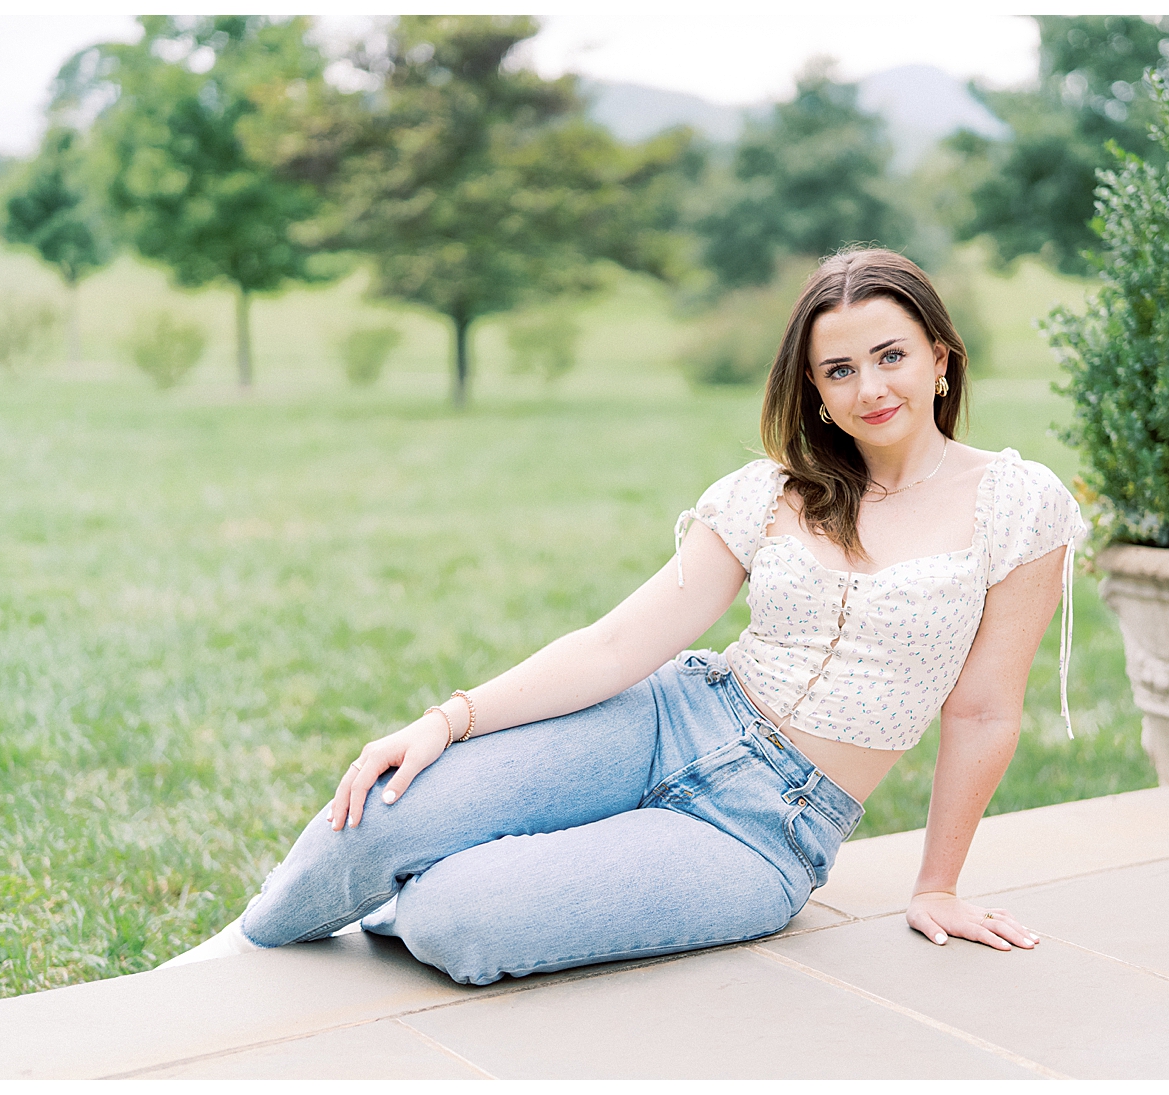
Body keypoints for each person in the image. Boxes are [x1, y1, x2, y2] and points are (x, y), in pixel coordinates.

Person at [164, 248, 1085, 984]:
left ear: (941, 357)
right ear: (813, 390)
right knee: (381, 814)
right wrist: (445, 720)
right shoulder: (773, 492)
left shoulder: (1016, 502)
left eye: (890, 356)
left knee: (461, 919)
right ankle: (240, 952)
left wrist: (938, 884)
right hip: (669, 715)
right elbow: (616, 644)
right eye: (837, 369)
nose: (868, 387)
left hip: (768, 829)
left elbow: (983, 710)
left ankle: (408, 902)